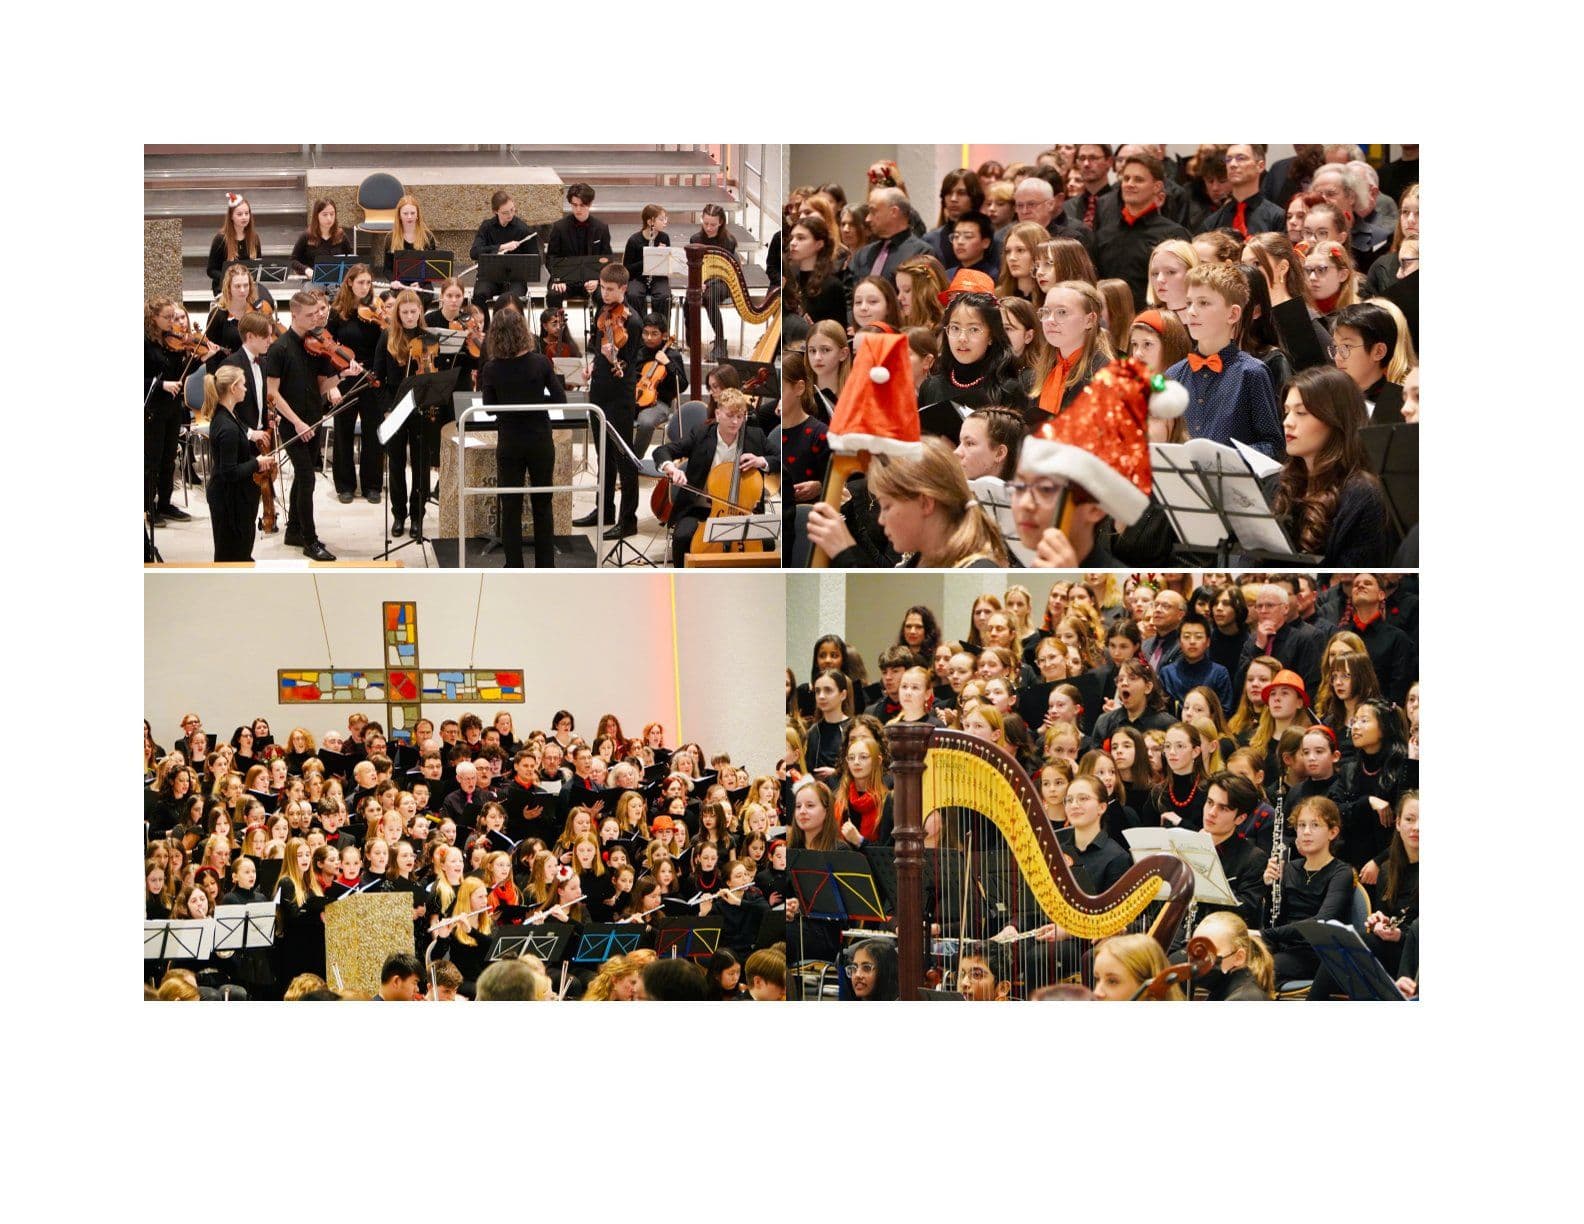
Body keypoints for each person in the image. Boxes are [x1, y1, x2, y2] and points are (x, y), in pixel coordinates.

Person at [807, 435, 1009, 569]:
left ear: (926, 503)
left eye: (887, 506)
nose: (882, 519)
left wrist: (846, 550)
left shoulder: (976, 570)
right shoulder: (919, 561)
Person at [1272, 366, 1395, 566]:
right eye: (1287, 412)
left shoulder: (1364, 495)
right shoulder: (1279, 483)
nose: (1287, 422)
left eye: (1301, 412)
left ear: (1335, 420)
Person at [263, 288, 353, 561]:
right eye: (310, 314)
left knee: (303, 478)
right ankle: (309, 540)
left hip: (314, 418)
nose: (317, 318)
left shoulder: (315, 346)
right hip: (294, 424)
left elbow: (321, 386)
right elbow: (272, 394)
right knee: (307, 478)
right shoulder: (279, 348)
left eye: (318, 313)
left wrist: (343, 375)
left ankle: (294, 531)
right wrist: (298, 423)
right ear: (295, 315)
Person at [1166, 263, 1283, 457]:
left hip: (1233, 476)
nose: (1191, 311)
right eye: (1189, 303)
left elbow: (1273, 445)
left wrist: (1226, 457)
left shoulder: (1252, 373)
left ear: (1233, 314)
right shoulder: (1173, 374)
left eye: (1204, 303)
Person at [480, 305, 565, 569]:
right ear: (522, 331)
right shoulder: (540, 362)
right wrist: (536, 401)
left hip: (510, 442)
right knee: (543, 504)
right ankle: (545, 566)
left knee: (511, 506)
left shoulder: (491, 368)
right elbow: (560, 399)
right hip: (540, 440)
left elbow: (490, 409)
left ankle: (514, 565)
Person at [653, 387, 770, 565]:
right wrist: (672, 468)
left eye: (740, 416)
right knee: (682, 536)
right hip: (700, 510)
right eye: (730, 415)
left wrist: (761, 460)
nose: (735, 422)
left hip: (742, 511)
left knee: (767, 543)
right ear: (718, 414)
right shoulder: (701, 434)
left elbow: (779, 457)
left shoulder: (755, 436)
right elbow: (663, 451)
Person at [573, 263, 646, 540]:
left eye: (611, 289)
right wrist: (593, 365)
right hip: (599, 390)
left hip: (619, 395)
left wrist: (612, 358)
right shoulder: (602, 311)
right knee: (603, 454)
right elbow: (598, 347)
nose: (605, 293)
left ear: (624, 288)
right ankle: (604, 510)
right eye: (603, 288)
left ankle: (628, 520)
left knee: (623, 457)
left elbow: (626, 365)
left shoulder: (634, 322)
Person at [369, 290, 438, 542]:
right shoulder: (387, 337)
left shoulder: (429, 338)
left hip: (420, 408)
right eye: (405, 312)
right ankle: (399, 514)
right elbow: (377, 378)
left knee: (421, 465)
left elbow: (432, 376)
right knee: (396, 464)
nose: (409, 316)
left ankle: (417, 516)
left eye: (413, 311)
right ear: (397, 313)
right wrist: (387, 408)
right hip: (395, 407)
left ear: (420, 311)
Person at [1095, 153, 1193, 308]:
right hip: (1110, 317)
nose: (1129, 184)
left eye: (1138, 180)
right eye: (1126, 179)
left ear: (1157, 187)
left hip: (1159, 316)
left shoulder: (1174, 235)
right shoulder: (1104, 234)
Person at [202, 365, 277, 562]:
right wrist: (256, 463)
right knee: (231, 554)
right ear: (233, 388)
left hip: (232, 495)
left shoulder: (228, 414)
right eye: (243, 384)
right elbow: (229, 472)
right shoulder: (227, 427)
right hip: (228, 500)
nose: (246, 388)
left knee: (240, 551)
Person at [546, 182, 613, 307]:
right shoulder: (559, 227)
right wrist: (558, 278)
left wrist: (598, 279)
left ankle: (600, 321)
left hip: (592, 280)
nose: (578, 209)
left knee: (604, 296)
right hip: (565, 279)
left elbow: (607, 259)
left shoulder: (601, 228)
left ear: (590, 204)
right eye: (574, 205)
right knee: (553, 295)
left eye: (582, 205)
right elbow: (551, 257)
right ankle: (558, 321)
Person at [689, 203, 739, 360]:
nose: (709, 228)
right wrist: (698, 281)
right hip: (702, 281)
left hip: (723, 282)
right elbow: (692, 265)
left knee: (709, 297)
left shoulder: (729, 241)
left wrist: (707, 284)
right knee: (690, 298)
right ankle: (692, 339)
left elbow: (730, 271)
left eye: (713, 224)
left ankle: (720, 341)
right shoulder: (695, 239)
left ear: (721, 222)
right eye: (706, 223)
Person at [470, 190, 538, 304]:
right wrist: (501, 247)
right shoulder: (487, 227)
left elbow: (534, 259)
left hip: (515, 279)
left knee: (512, 300)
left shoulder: (523, 229)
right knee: (479, 295)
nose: (510, 215)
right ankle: (483, 316)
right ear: (495, 212)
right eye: (505, 212)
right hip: (489, 277)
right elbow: (474, 253)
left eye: (512, 210)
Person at [1190, 911, 1274, 999]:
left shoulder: (1242, 998)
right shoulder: (1223, 989)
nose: (1198, 961)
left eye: (1210, 953)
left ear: (1239, 957)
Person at [207, 192, 261, 294]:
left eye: (247, 213)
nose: (244, 217)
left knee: (266, 300)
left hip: (247, 287)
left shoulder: (254, 238)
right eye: (239, 214)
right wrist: (232, 279)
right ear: (231, 216)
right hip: (226, 287)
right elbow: (211, 270)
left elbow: (259, 266)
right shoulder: (220, 239)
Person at [290, 198, 353, 277]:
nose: (329, 218)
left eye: (332, 214)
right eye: (325, 214)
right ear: (317, 216)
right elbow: (293, 261)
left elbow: (351, 259)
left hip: (336, 278)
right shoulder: (306, 236)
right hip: (313, 279)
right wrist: (306, 270)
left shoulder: (341, 235)